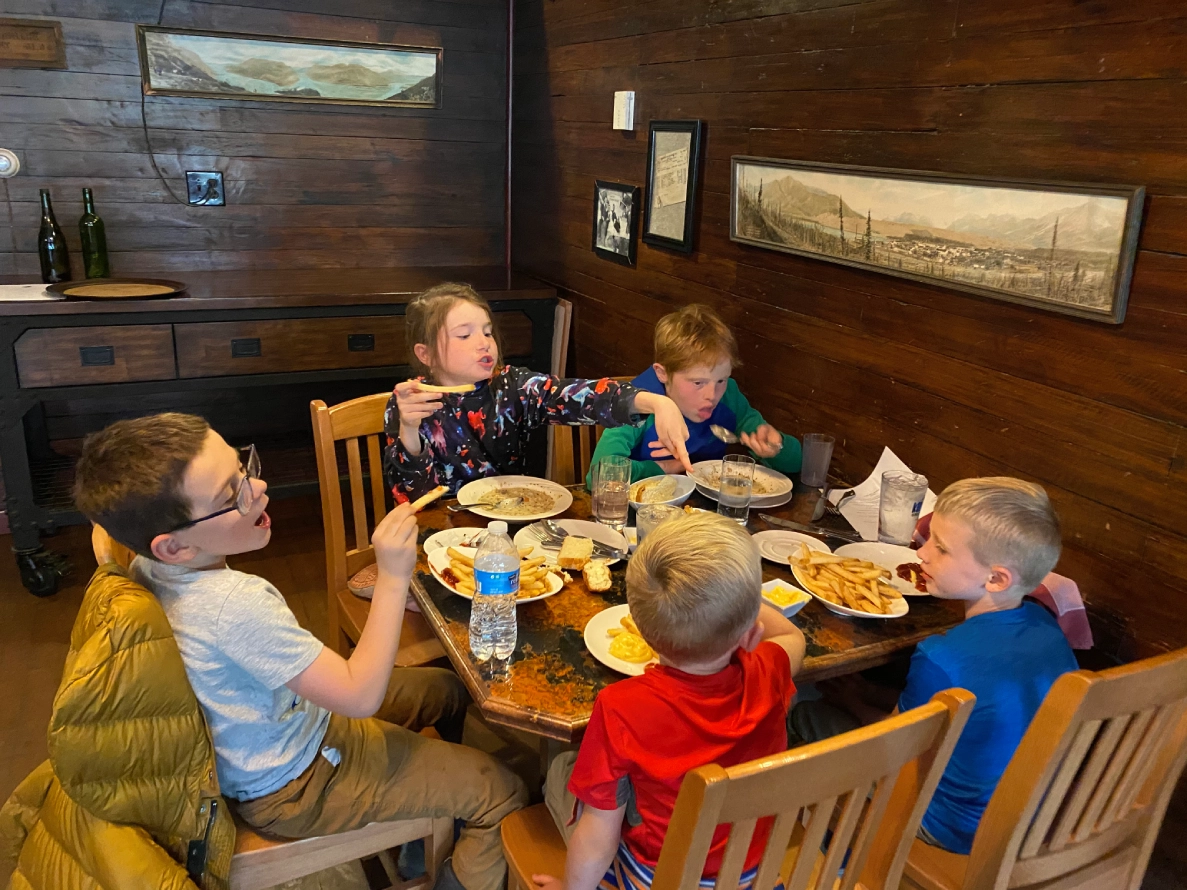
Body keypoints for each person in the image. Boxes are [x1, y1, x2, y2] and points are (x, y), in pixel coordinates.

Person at [74, 413, 528, 890]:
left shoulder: (144, 563)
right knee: (502, 792)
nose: (260, 487)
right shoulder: (234, 604)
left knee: (446, 690)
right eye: (232, 494)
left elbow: (99, 530)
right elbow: (359, 697)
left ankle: (425, 830)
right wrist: (394, 575)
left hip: (286, 729)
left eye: (244, 467)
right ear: (173, 547)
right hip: (296, 785)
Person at [789, 477, 1078, 855]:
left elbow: (894, 744)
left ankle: (843, 852)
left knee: (804, 714)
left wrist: (852, 703)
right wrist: (867, 691)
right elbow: (961, 709)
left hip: (944, 826)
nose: (922, 554)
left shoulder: (942, 656)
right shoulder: (1048, 627)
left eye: (940, 548)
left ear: (995, 578)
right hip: (1027, 819)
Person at [535, 513, 806, 890]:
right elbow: (794, 637)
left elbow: (598, 838)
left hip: (657, 878)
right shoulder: (770, 672)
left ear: (642, 628)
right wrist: (735, 602)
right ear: (750, 635)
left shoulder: (619, 706)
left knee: (563, 774)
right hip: (749, 877)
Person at [385, 282, 693, 501]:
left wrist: (656, 402)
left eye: (488, 331)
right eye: (465, 335)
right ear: (425, 355)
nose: (484, 342)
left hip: (511, 523)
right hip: (440, 538)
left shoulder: (512, 387)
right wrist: (409, 431)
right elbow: (412, 498)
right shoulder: (410, 403)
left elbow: (576, 395)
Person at [587, 303, 802, 486]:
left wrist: (777, 447)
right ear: (662, 374)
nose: (712, 395)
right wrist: (664, 467)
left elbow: (798, 463)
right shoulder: (636, 402)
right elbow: (599, 475)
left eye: (721, 380)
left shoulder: (730, 398)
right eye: (698, 382)